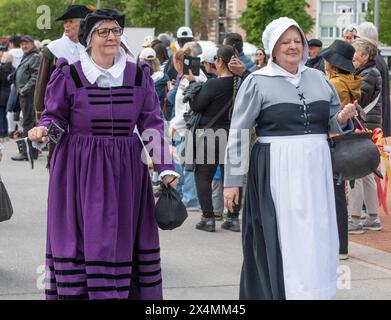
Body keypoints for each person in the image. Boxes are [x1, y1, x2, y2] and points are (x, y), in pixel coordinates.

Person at [28, 8, 178, 300]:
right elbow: (56, 119)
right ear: (88, 39)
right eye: (103, 32)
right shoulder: (69, 74)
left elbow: (151, 125)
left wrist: (166, 168)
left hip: (126, 171)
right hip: (78, 170)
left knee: (122, 239)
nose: (111, 37)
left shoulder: (137, 75)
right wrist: (44, 131)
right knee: (83, 239)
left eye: (115, 31)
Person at [223, 17, 356, 300]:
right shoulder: (257, 82)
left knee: (316, 235)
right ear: (272, 48)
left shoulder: (319, 79)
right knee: (284, 236)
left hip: (316, 172)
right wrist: (232, 182)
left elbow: (331, 123)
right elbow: (238, 134)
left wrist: (342, 118)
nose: (293, 46)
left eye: (297, 41)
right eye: (286, 42)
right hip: (276, 170)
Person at [189, 45, 242, 232]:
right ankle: (234, 218)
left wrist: (191, 86)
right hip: (235, 135)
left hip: (211, 134)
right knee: (232, 177)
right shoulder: (242, 83)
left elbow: (196, 106)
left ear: (219, 61)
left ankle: (208, 218)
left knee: (203, 176)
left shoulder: (213, 84)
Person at [320, 39, 362, 259]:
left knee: (333, 196)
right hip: (343, 141)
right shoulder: (351, 81)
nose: (324, 61)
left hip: (331, 142)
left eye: (327, 58)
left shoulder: (334, 84)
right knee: (338, 195)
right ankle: (341, 245)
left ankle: (339, 246)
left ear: (333, 62)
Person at [34, 5, 94, 122]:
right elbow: (42, 82)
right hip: (58, 108)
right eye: (65, 22)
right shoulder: (53, 49)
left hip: (87, 107)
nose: (66, 25)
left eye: (71, 21)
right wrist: (40, 112)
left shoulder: (92, 48)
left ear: (84, 24)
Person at [348, 37, 383, 234]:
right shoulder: (369, 72)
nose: (352, 56)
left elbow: (358, 98)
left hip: (363, 127)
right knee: (368, 172)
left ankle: (355, 219)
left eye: (355, 52)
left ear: (365, 55)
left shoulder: (369, 74)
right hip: (369, 127)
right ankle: (372, 216)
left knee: (356, 172)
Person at [357, 22, 391, 137]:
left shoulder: (372, 63)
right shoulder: (380, 60)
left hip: (373, 126)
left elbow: (363, 98)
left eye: (358, 38)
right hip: (380, 122)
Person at [11, 35, 40, 161]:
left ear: (32, 44)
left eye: (26, 43)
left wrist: (24, 89)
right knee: (27, 122)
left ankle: (29, 153)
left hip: (29, 95)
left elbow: (35, 76)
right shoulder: (27, 56)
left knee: (29, 123)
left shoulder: (34, 57)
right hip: (24, 95)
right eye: (22, 44)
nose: (24, 46)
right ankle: (31, 152)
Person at [0, 52, 14, 140]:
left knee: (1, 115)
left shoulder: (1, 69)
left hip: (1, 93)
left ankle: (3, 133)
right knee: (7, 114)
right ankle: (7, 133)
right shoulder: (14, 69)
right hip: (11, 93)